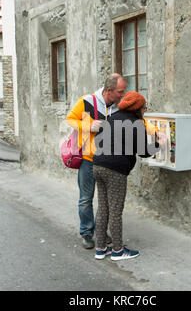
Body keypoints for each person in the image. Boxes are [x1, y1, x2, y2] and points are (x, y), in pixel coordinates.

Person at [92, 91, 165, 261]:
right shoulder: (135, 123)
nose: (145, 111)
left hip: (98, 165)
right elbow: (144, 152)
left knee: (103, 208)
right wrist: (159, 144)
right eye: (144, 108)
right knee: (116, 211)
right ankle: (118, 251)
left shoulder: (113, 117)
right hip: (115, 171)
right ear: (137, 108)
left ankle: (100, 248)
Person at [66, 73, 127, 249]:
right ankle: (86, 232)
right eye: (120, 92)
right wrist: (88, 125)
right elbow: (70, 119)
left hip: (107, 161)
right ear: (109, 91)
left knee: (104, 201)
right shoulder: (87, 101)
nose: (122, 95)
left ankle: (101, 232)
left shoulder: (118, 107)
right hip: (88, 159)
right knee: (86, 198)